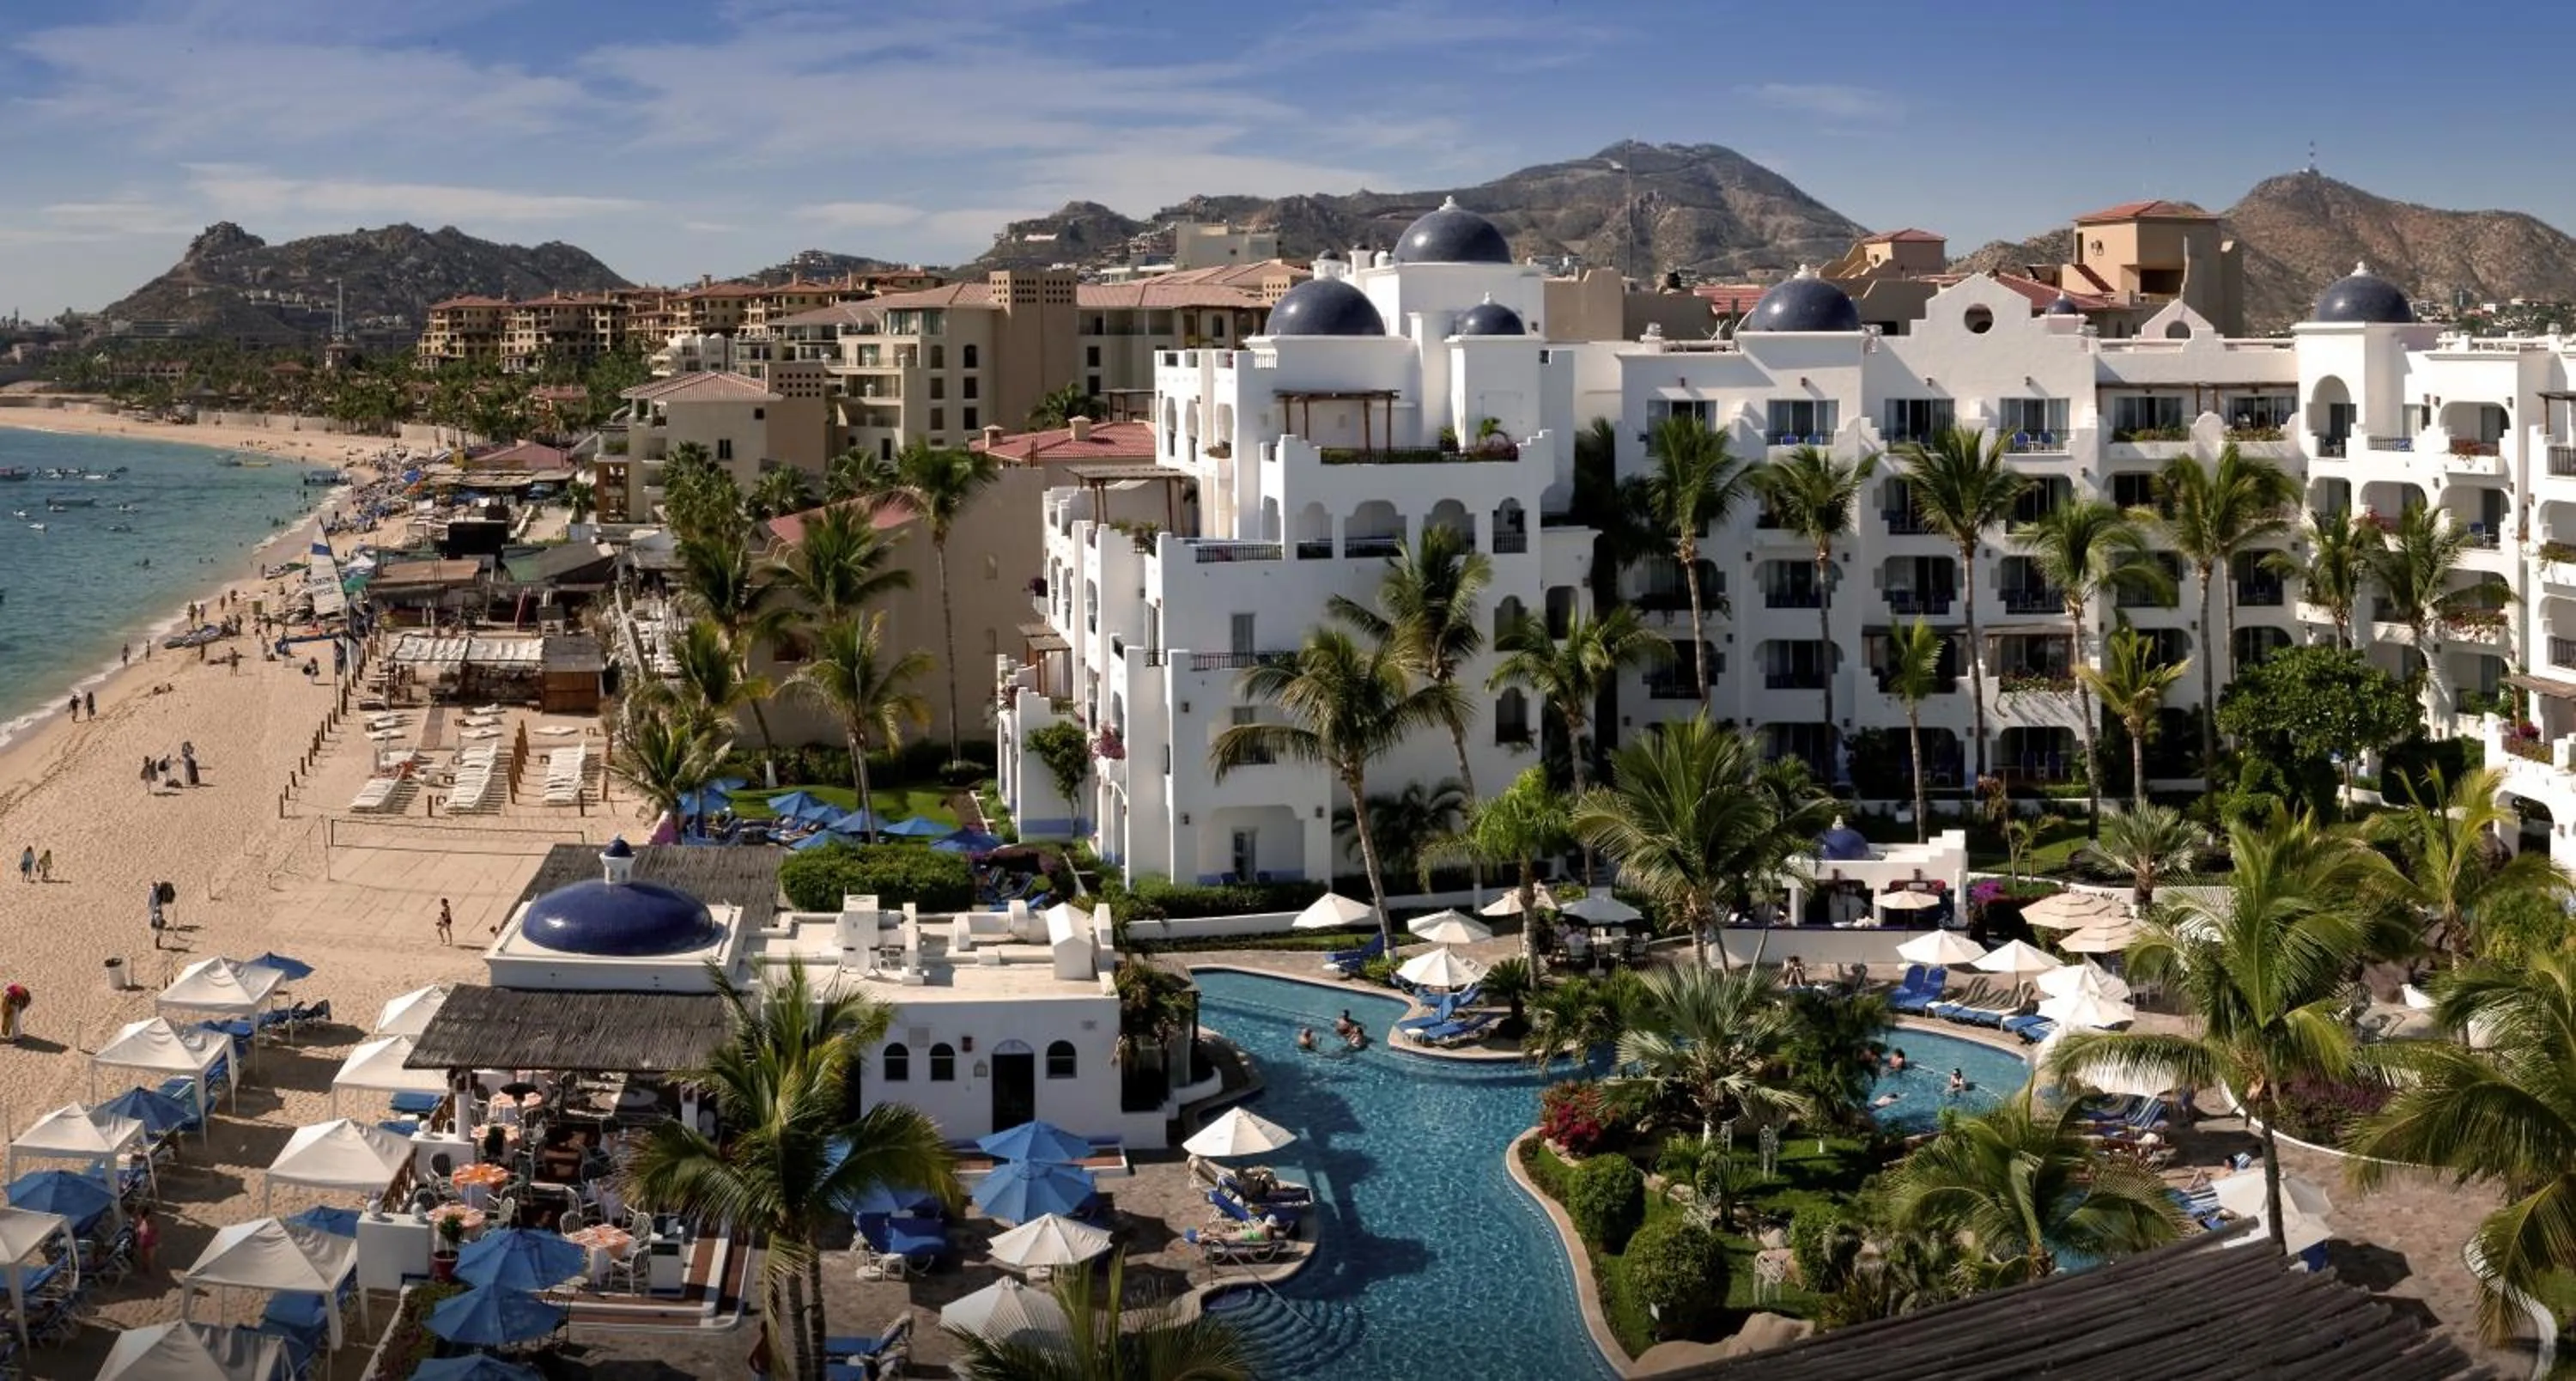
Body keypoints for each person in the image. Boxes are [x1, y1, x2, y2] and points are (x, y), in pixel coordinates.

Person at [132, 1208, 159, 1275]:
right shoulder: (146, 1222)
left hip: (146, 1241)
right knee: (147, 1257)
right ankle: (147, 1269)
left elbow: (137, 1230)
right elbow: (156, 1231)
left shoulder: (142, 1221)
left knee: (147, 1256)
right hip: (147, 1241)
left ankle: (147, 1269)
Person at [148, 884, 167, 949]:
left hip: (153, 910)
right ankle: (157, 945)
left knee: (157, 934)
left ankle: (157, 945)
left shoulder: (151, 891)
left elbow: (150, 899)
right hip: (158, 924)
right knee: (158, 935)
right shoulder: (156, 894)